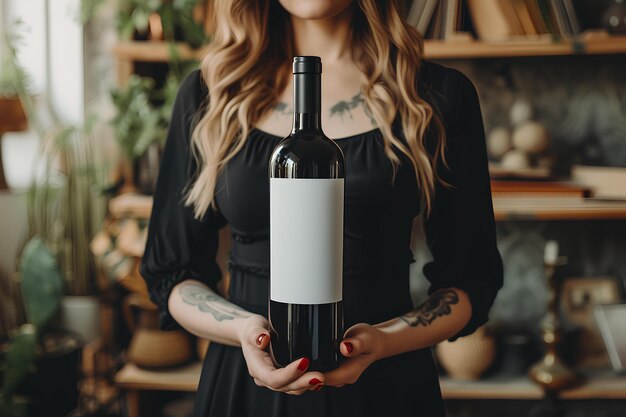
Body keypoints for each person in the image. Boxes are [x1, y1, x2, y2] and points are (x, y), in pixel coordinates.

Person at [140, 1, 503, 416]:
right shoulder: (211, 94)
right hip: (243, 386)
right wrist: (244, 331)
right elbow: (172, 273)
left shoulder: (436, 97)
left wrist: (383, 341)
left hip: (387, 386)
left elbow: (470, 279)